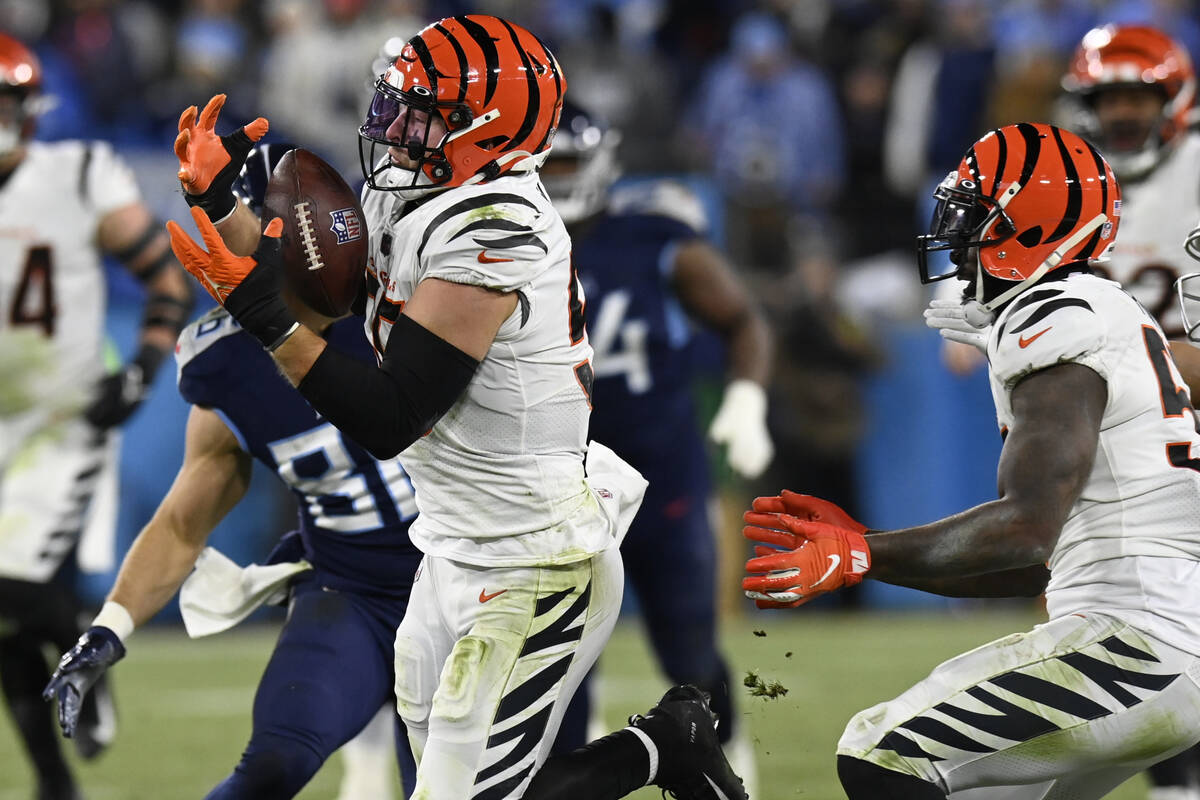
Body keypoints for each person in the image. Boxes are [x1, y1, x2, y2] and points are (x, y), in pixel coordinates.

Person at [160, 15, 746, 800]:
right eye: (397, 102)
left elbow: (392, 414)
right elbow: (327, 297)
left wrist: (263, 317)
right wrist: (224, 201)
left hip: (533, 556)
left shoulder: (496, 223)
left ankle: (665, 747)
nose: (393, 125)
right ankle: (661, 746)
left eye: (421, 109)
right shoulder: (425, 190)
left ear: (487, 127)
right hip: (449, 542)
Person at [746, 122, 1200, 799]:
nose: (956, 237)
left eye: (974, 218)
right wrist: (867, 549)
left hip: (1140, 640)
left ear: (1029, 227)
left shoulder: (1057, 315)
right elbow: (1031, 567)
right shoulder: (1102, 313)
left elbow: (1024, 528)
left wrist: (861, 555)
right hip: (1158, 637)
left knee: (883, 752)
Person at [42, 141, 420, 800]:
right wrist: (109, 629)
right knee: (271, 768)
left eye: (231, 216)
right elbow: (183, 525)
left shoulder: (412, 294)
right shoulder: (230, 365)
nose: (219, 237)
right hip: (354, 594)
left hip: (466, 580)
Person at [541, 101, 771, 788]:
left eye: (566, 163)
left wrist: (748, 397)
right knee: (558, 675)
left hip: (659, 478)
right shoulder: (500, 239)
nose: (554, 179)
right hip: (559, 492)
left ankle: (733, 769)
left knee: (691, 652)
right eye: (541, 164)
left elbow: (742, 319)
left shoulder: (652, 235)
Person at [0, 33, 194, 800]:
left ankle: (88, 652)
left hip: (63, 417)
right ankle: (55, 780)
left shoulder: (77, 172)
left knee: (14, 589)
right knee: (8, 615)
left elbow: (161, 274)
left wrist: (145, 366)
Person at [933, 23, 1200, 395]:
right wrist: (966, 308)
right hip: (1094, 389)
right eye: (1109, 100)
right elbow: (986, 244)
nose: (1122, 114)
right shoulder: (1059, 171)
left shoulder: (1194, 164)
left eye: (1137, 100)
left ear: (1173, 101)